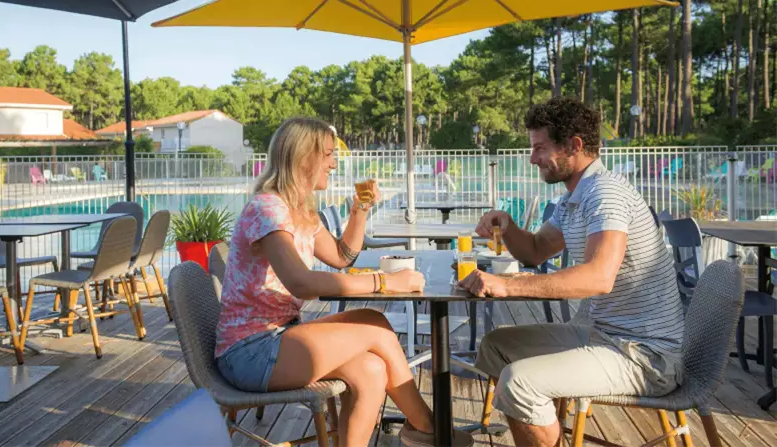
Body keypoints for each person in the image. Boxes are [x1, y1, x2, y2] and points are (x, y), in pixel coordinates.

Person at [215, 117, 473, 447]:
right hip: (249, 351)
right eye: (327, 154)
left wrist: (360, 210)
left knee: (372, 366)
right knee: (376, 331)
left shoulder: (301, 212)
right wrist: (386, 283)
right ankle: (428, 427)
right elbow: (302, 284)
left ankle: (419, 428)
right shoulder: (267, 209)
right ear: (302, 157)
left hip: (282, 334)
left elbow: (341, 256)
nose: (334, 164)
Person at [459, 98, 685, 447]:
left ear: (575, 145)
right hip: (600, 335)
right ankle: (548, 430)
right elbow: (535, 250)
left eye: (539, 148)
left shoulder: (605, 194)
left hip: (644, 356)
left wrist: (509, 285)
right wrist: (508, 224)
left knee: (519, 382)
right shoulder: (575, 197)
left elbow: (598, 278)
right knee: (496, 347)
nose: (532, 158)